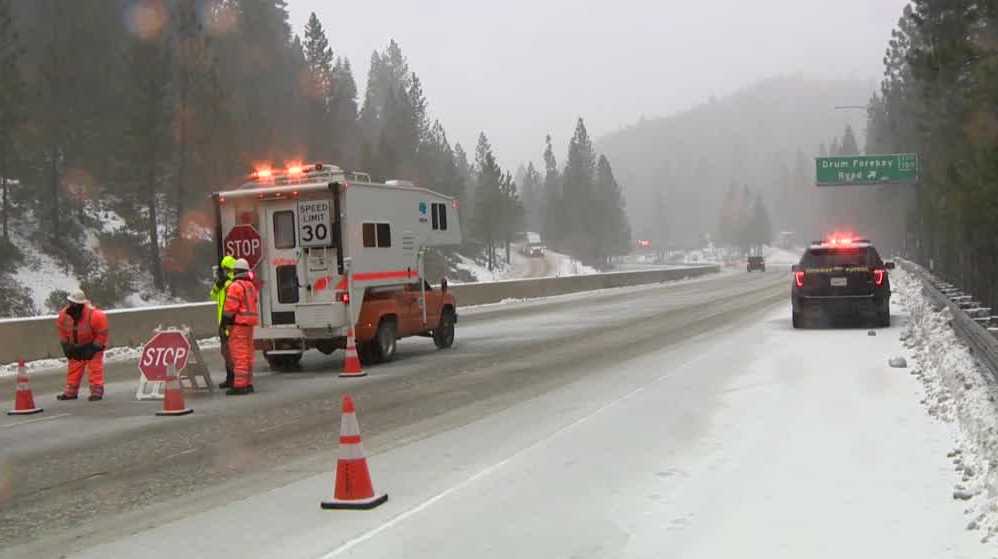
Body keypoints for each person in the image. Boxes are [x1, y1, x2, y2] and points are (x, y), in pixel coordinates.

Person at [55, 290, 109, 401]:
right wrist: (66, 346)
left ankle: (96, 391)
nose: (72, 305)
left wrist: (94, 348)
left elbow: (102, 333)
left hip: (92, 345)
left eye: (75, 303)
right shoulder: (64, 315)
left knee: (95, 368)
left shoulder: (95, 315)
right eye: (71, 302)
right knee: (74, 369)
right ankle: (71, 392)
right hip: (75, 346)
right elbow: (62, 331)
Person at [222, 258, 258, 396]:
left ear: (235, 271)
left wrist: (224, 322)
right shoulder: (251, 286)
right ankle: (248, 383)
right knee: (248, 355)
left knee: (239, 355)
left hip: (238, 325)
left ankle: (240, 385)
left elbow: (230, 307)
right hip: (249, 325)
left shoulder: (235, 286)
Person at [210, 255, 237, 389]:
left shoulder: (232, 282)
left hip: (229, 322)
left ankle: (234, 377)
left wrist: (223, 282)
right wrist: (217, 285)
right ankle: (230, 377)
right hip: (223, 321)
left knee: (230, 351)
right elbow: (212, 295)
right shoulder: (222, 282)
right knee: (225, 351)